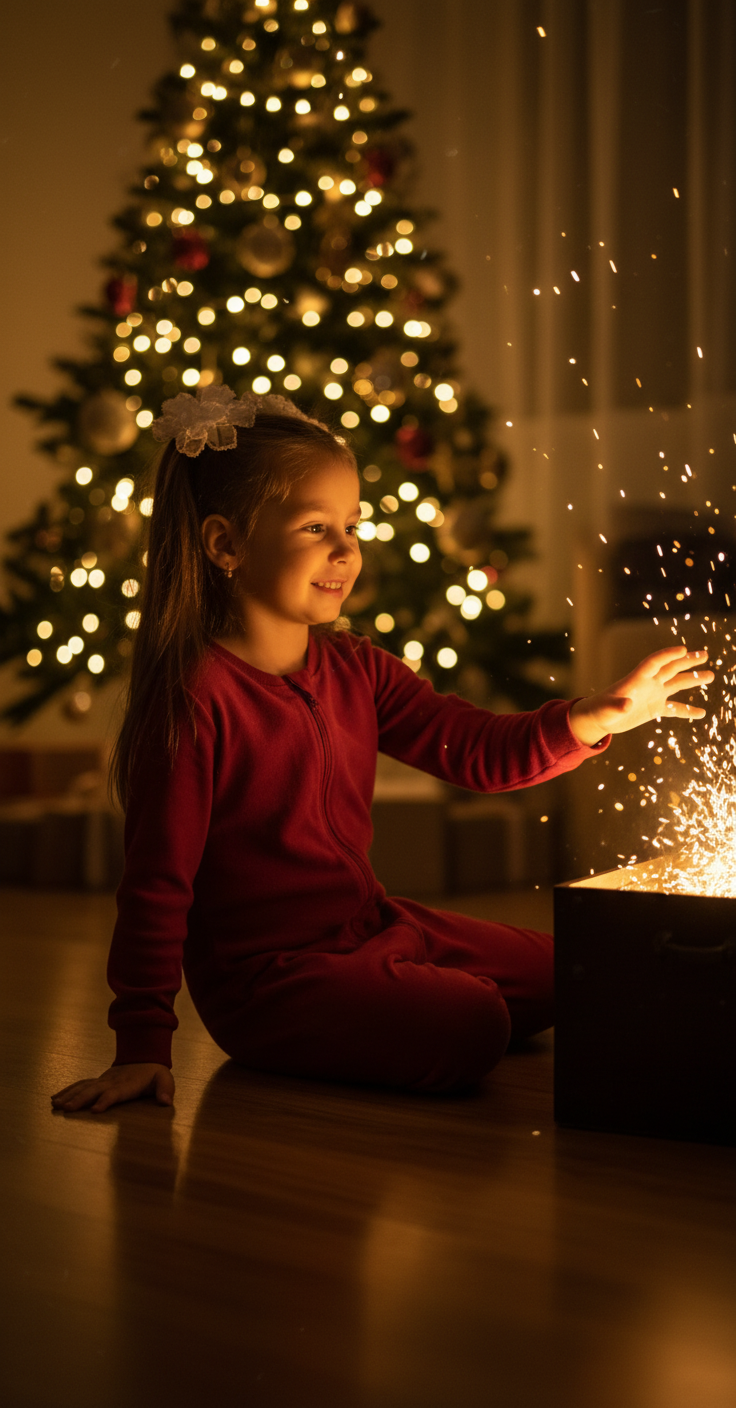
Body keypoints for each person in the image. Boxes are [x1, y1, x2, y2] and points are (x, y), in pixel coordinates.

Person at [50, 386, 713, 1113]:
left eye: (353, 525)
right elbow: (155, 887)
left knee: (580, 968)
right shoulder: (195, 701)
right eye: (315, 527)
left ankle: (402, 994)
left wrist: (592, 717)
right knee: (475, 1024)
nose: (346, 551)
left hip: (377, 928)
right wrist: (141, 1044)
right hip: (269, 982)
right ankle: (411, 1004)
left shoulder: (356, 668)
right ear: (225, 544)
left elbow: (473, 750)